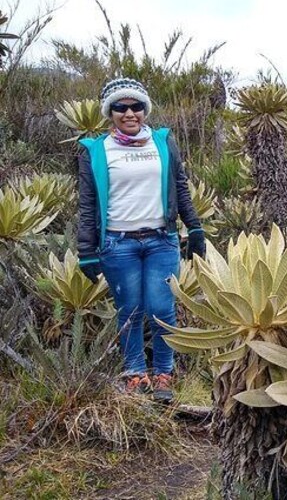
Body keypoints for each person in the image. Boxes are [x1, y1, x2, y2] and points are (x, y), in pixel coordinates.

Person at [77, 77, 206, 402]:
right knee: (130, 311)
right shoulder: (95, 151)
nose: (129, 113)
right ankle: (135, 373)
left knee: (162, 308)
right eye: (120, 107)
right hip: (118, 245)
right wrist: (86, 251)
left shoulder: (162, 142)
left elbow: (180, 186)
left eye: (136, 106)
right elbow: (87, 204)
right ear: (110, 112)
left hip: (161, 241)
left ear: (145, 109)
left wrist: (195, 227)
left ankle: (164, 373)